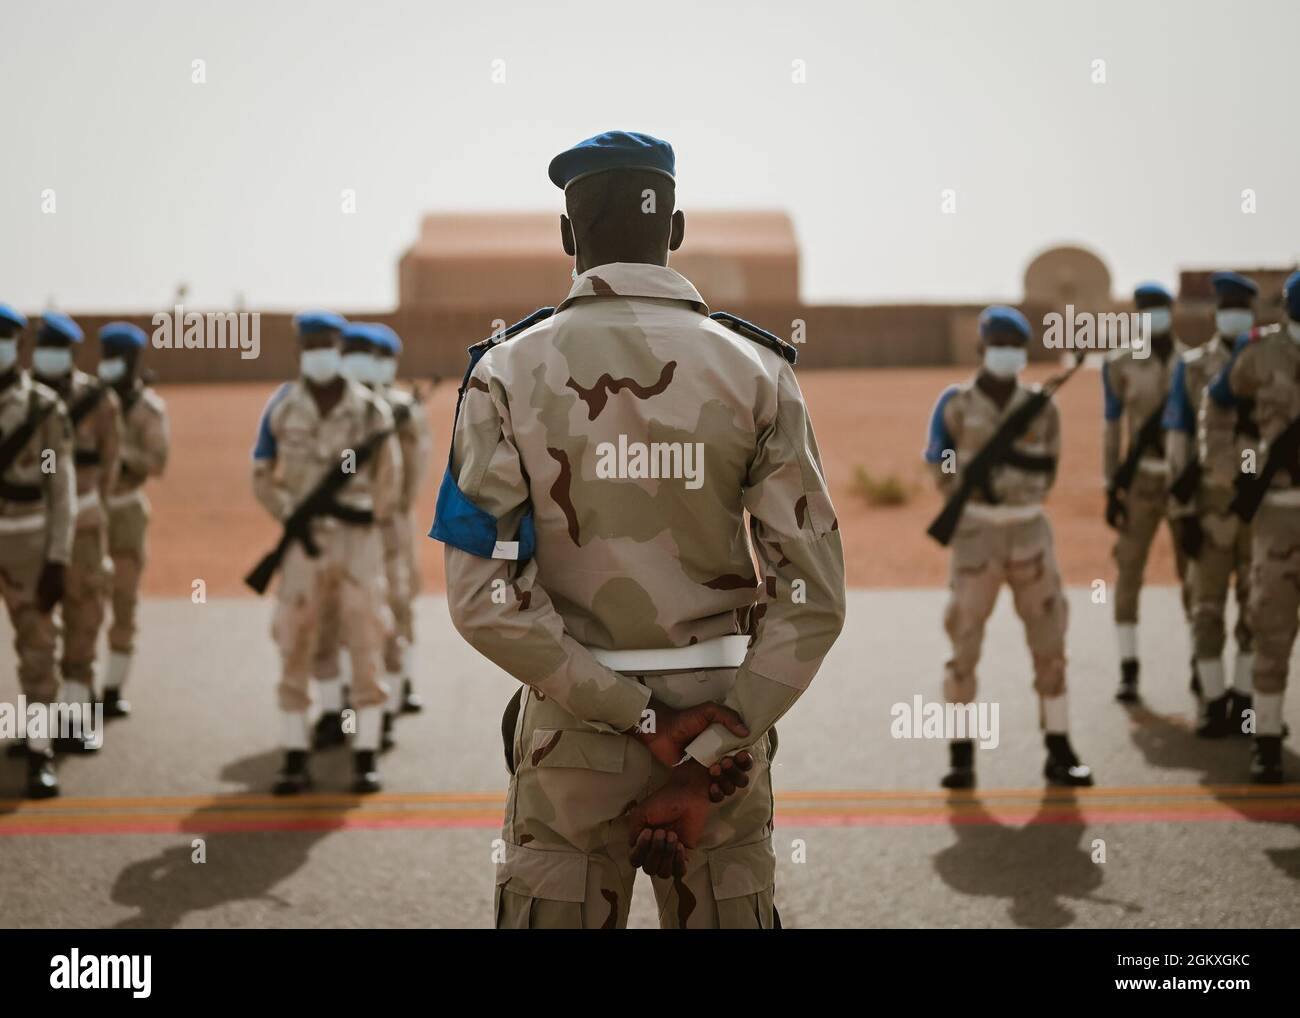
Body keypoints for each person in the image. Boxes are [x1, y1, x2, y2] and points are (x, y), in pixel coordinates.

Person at [436, 131, 846, 928]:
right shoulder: (758, 373)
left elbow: (482, 600)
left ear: (567, 236)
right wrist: (710, 752)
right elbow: (815, 598)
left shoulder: (504, 375)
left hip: (572, 733)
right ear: (678, 228)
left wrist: (638, 719)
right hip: (724, 727)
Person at [924, 306, 1093, 789]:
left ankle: (1059, 748)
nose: (1006, 353)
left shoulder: (1044, 407)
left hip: (1030, 534)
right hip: (976, 534)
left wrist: (1007, 487)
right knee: (964, 643)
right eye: (997, 344)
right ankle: (961, 757)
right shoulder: (954, 404)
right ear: (982, 349)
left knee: (1050, 641)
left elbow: (1049, 470)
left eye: (1014, 346)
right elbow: (939, 461)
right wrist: (967, 496)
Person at [251, 311, 401, 794]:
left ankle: (365, 755)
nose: (321, 353)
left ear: (339, 349)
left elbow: (389, 478)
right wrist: (289, 515)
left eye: (329, 345)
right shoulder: (282, 408)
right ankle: (295, 755)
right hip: (304, 542)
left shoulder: (370, 411)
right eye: (312, 345)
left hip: (358, 542)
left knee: (365, 637)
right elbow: (260, 472)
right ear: (301, 351)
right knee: (295, 639)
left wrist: (369, 523)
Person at [1207, 271, 1300, 782]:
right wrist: (1238, 466)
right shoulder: (1261, 354)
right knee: (1272, 626)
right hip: (1279, 511)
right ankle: (1265, 737)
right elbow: (1218, 403)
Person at [1163, 271, 1259, 736]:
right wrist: (1182, 514)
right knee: (1206, 606)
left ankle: (1243, 699)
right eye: (1227, 307)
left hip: (1263, 505)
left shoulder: (1273, 362)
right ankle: (1212, 700)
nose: (1234, 314)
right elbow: (1178, 438)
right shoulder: (1195, 365)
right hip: (1210, 500)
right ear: (1216, 314)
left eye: (1242, 306)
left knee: (1259, 607)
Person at [32, 312, 120, 753]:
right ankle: (38, 733)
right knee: (35, 632)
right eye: (41, 344)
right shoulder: (21, 398)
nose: (47, 354)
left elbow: (110, 464)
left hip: (84, 526)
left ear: (69, 354)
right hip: (31, 527)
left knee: (83, 623)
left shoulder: (99, 400)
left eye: (56, 347)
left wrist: (93, 511)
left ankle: (76, 722)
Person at [1102, 283, 1191, 702]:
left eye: (1159, 308)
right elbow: (1112, 426)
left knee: (1193, 573)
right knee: (1129, 572)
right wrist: (1110, 486)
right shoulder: (1120, 362)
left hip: (1183, 482)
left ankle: (1201, 664)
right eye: (1145, 309)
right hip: (1138, 482)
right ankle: (1128, 667)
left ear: (1171, 311)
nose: (1153, 315)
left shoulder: (1192, 362)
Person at [0, 304, 76, 796]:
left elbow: (59, 486)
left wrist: (57, 557)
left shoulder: (42, 408)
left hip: (27, 541)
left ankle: (39, 750)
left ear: (19, 346)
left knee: (38, 650)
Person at [96, 322, 170, 717]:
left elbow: (159, 462)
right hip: (88, 510)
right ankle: (76, 687)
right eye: (106, 357)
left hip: (125, 509)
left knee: (123, 601)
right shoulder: (86, 401)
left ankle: (111, 688)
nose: (110, 365)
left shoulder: (149, 409)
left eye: (118, 359)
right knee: (81, 599)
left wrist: (120, 453)